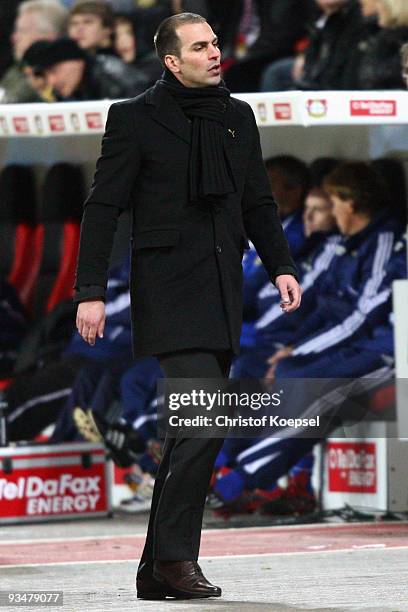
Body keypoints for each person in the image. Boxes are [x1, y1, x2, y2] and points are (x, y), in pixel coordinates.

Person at [73, 12, 300, 600]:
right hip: (169, 289)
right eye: (201, 47)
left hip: (224, 286)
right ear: (172, 61)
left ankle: (154, 571)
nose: (215, 53)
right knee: (203, 422)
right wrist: (90, 292)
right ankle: (177, 561)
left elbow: (258, 200)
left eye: (217, 43)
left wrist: (280, 265)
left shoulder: (236, 116)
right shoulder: (135, 119)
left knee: (191, 430)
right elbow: (102, 209)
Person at [22, 37, 151, 101]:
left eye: (54, 71)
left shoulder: (115, 80)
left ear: (76, 62)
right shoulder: (66, 91)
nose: (51, 82)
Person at [0, 0, 67, 103]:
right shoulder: (15, 72)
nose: (14, 38)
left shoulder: (65, 79)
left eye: (22, 31)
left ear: (48, 37)